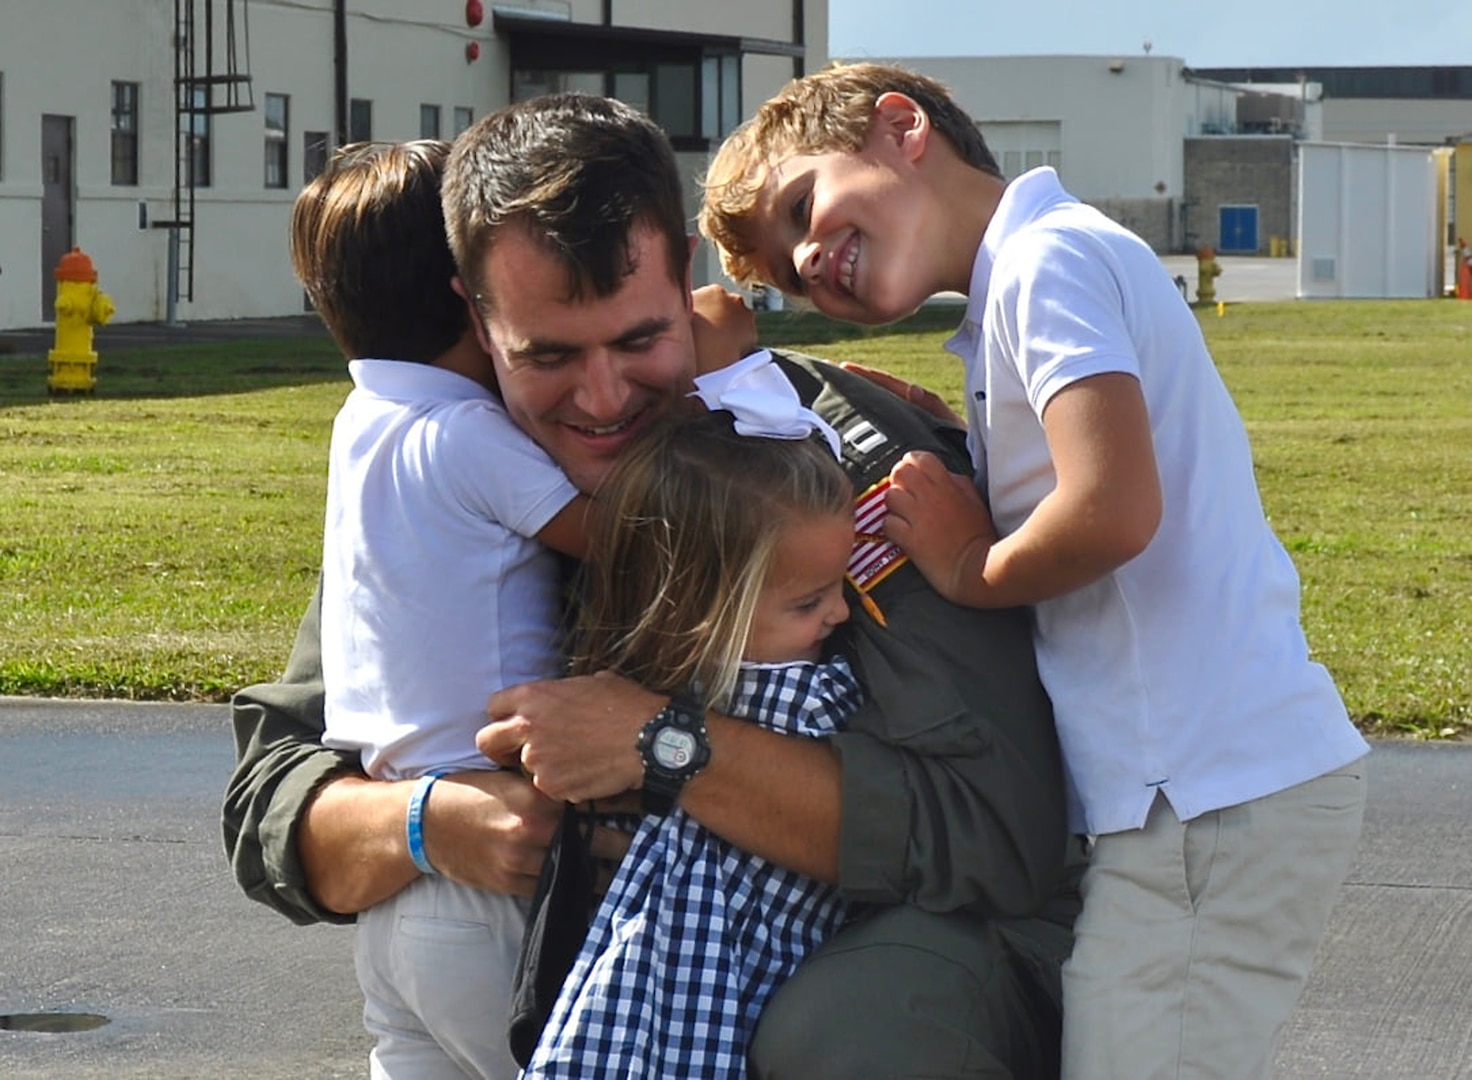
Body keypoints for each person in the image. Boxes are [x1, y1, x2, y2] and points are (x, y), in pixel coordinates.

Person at [225, 91, 1076, 1079]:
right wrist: (427, 823)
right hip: (578, 969)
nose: (598, 400)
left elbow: (996, 831)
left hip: (883, 939)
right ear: (474, 315)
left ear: (685, 275)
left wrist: (662, 746)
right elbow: (273, 798)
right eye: (546, 356)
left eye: (638, 342)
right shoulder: (452, 473)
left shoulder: (827, 464)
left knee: (851, 1033)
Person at [699, 60, 1371, 1079]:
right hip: (1193, 797)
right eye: (787, 275)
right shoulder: (1025, 279)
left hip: (1204, 792)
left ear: (900, 128)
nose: (806, 257)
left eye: (802, 205)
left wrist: (968, 564)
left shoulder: (1044, 262)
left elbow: (1109, 506)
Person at [288, 139, 591, 1078]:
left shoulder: (363, 420)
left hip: (396, 871)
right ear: (474, 293)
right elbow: (616, 533)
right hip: (492, 866)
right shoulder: (468, 433)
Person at [523, 357, 860, 1077]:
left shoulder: (695, 692)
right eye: (809, 602)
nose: (839, 613)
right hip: (709, 975)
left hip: (690, 979)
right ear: (706, 610)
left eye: (840, 588)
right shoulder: (804, 699)